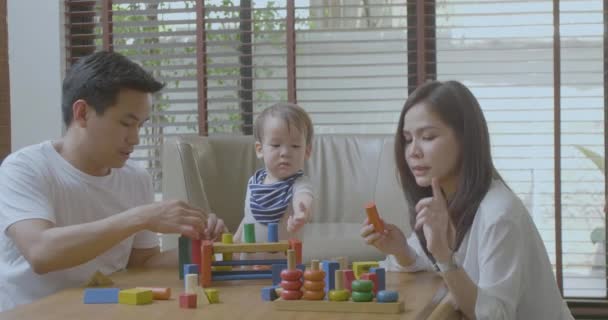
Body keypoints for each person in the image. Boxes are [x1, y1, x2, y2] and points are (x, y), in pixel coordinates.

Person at [0, 51, 226, 311]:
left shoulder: (135, 178)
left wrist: (206, 249)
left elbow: (142, 261)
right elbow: (41, 252)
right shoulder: (25, 168)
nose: (135, 138)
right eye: (126, 123)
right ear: (82, 113)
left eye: (140, 125)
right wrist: (140, 217)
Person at [360, 80, 573, 319]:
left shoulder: (499, 213)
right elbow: (431, 267)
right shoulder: (442, 199)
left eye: (428, 137)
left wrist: (443, 255)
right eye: (408, 139)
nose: (413, 151)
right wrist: (401, 251)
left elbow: (496, 316)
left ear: (466, 139)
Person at [233, 103, 314, 256]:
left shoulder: (299, 183)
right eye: (276, 145)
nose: (285, 152)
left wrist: (301, 214)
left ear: (307, 151)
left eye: (295, 146)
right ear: (259, 149)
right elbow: (249, 216)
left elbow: (303, 198)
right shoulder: (254, 182)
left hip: (283, 270)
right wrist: (236, 240)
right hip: (247, 265)